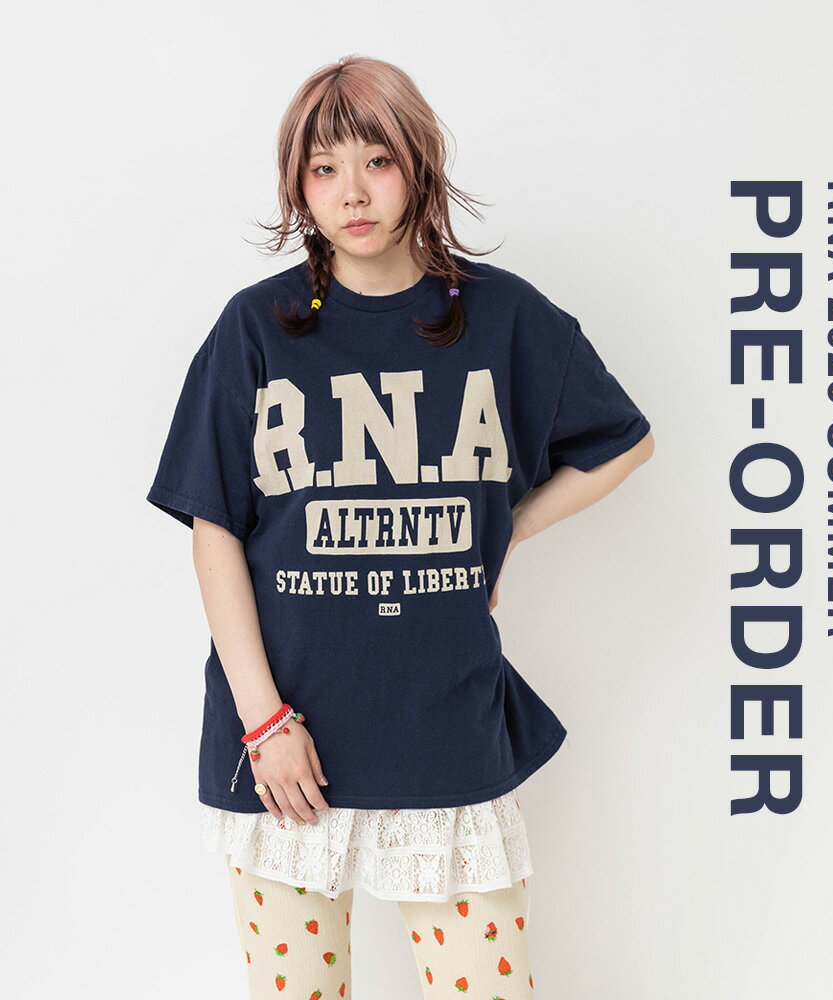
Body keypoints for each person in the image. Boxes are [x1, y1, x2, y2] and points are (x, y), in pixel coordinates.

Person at [146, 54, 654, 1000]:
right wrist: (264, 721)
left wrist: (508, 532)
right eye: (324, 168)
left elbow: (624, 443)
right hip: (286, 747)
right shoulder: (257, 329)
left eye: (376, 161)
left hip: (443, 726)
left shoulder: (501, 318)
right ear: (298, 184)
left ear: (419, 163)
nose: (352, 192)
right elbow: (213, 529)